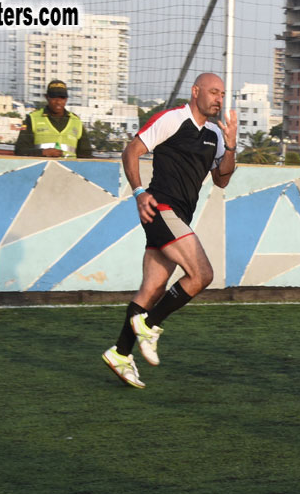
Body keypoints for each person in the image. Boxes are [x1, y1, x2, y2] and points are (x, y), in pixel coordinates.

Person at [101, 72, 238, 388]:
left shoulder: (215, 135)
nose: (218, 99)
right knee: (202, 274)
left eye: (222, 94)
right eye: (213, 92)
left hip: (179, 216)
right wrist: (139, 192)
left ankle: (120, 353)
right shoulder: (173, 119)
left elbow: (222, 180)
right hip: (160, 208)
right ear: (195, 91)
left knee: (152, 288)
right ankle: (150, 325)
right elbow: (131, 151)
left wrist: (231, 145)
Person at [13, 79, 91, 159]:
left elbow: (86, 154)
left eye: (62, 98)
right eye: (54, 97)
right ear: (47, 97)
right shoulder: (32, 119)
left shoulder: (76, 121)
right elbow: (20, 150)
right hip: (42, 166)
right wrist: (42, 153)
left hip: (69, 167)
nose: (58, 102)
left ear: (66, 99)